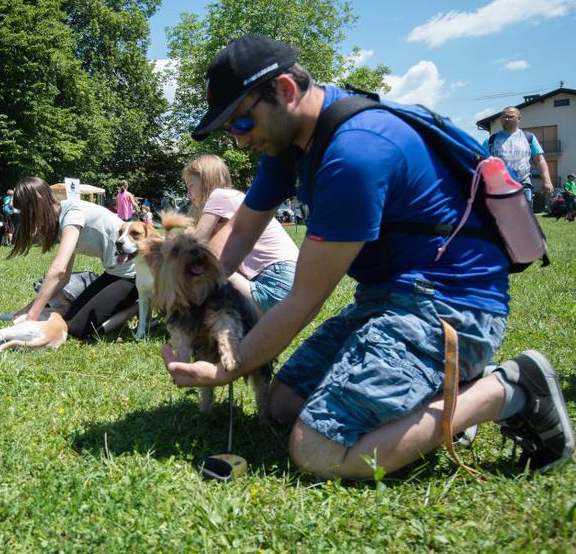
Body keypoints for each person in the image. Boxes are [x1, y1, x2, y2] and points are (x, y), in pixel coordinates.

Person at [162, 34, 573, 479]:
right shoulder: (289, 143)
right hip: (385, 300)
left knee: (315, 449)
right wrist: (198, 292)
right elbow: (242, 229)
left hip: (449, 306)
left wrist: (230, 367)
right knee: (281, 406)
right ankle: (441, 389)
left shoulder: (354, 153)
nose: (240, 142)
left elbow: (304, 299)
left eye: (242, 123)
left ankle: (509, 389)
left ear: (283, 91)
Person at [9, 177, 137, 338]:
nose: (28, 219)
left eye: (26, 212)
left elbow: (58, 269)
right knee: (69, 319)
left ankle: (141, 304)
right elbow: (64, 278)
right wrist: (28, 308)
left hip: (133, 274)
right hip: (113, 273)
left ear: (36, 203)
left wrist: (30, 318)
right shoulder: (62, 221)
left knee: (78, 329)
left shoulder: (72, 214)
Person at [183, 154, 298, 316]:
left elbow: (195, 243)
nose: (189, 193)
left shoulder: (219, 195)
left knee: (205, 269)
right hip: (293, 290)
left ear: (206, 180)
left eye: (190, 185)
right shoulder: (235, 199)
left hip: (275, 282)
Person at [488, 106, 554, 209]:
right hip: (499, 186)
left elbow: (540, 160)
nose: (506, 119)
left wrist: (547, 181)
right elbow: (482, 161)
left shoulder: (529, 138)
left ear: (518, 118)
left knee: (525, 218)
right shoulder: (492, 140)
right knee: (503, 219)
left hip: (523, 183)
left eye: (510, 116)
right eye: (504, 117)